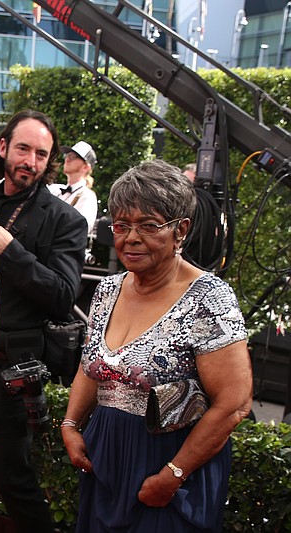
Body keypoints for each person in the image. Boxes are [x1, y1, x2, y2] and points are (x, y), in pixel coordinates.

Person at [61, 159, 252, 531]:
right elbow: (92, 367)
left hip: (170, 467)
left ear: (181, 230)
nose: (131, 238)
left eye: (148, 226)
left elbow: (235, 403)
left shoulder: (209, 298)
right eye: (121, 225)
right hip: (106, 459)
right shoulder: (108, 290)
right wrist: (70, 424)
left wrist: (173, 474)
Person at [0, 109, 88, 533]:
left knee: (13, 477)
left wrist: (10, 249)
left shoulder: (65, 220)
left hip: (10, 367)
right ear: (3, 148)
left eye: (40, 153)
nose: (30, 161)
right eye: (22, 149)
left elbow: (63, 297)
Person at [48, 140, 98, 235]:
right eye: (66, 156)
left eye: (73, 157)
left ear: (85, 167)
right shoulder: (54, 189)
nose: (67, 159)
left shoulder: (87, 196)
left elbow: (79, 230)